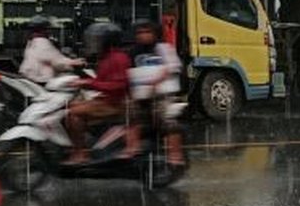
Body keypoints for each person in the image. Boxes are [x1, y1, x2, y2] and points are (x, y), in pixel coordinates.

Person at [64, 23, 130, 165]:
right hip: (105, 100)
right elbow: (102, 81)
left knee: (74, 114)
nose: (95, 43)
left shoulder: (119, 58)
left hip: (115, 103)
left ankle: (81, 153)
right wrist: (83, 80)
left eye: (98, 40)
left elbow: (118, 85)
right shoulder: (105, 58)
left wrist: (88, 83)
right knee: (68, 106)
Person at [128, 20, 184, 164]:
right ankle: (131, 151)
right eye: (140, 33)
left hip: (162, 95)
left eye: (147, 32)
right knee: (130, 118)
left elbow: (173, 66)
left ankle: (175, 156)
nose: (143, 36)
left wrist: (157, 81)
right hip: (140, 95)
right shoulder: (133, 52)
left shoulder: (164, 48)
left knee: (168, 122)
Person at [19, 15, 83, 83]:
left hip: (31, 76)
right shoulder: (41, 42)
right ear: (44, 29)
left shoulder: (32, 41)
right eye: (48, 28)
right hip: (39, 79)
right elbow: (58, 62)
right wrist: (75, 62)